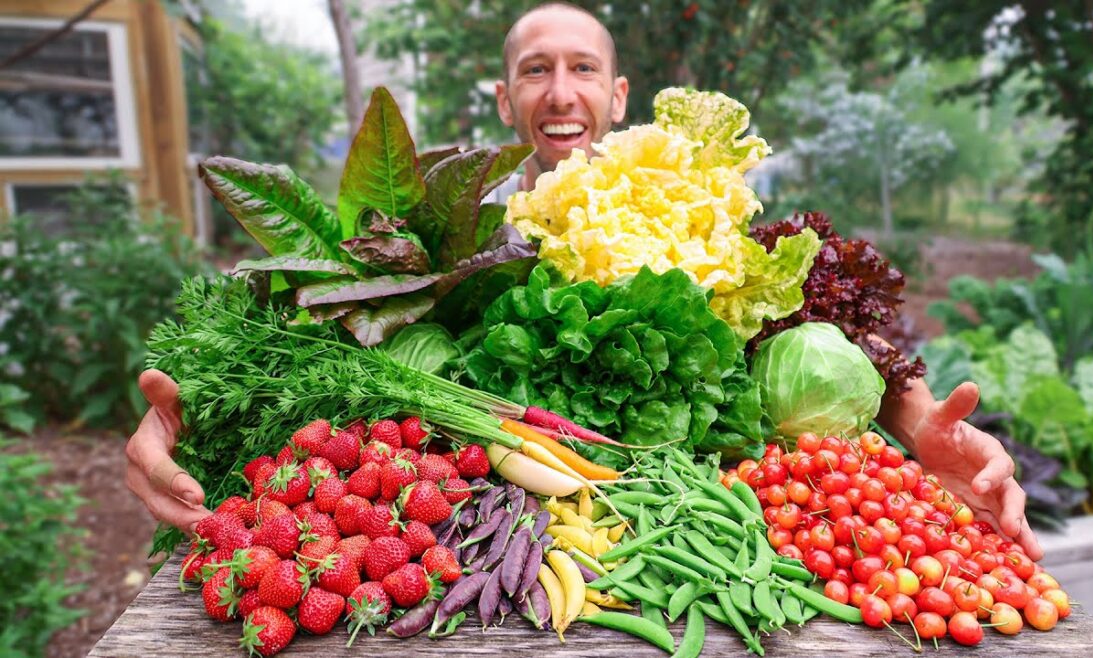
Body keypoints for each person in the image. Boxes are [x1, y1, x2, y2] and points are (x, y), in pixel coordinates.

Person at [126, 2, 1042, 560]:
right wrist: (182, 409)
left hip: (671, 546)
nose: (559, 91)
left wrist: (917, 420)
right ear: (504, 98)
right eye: (535, 71)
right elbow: (316, 321)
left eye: (582, 69)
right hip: (502, 557)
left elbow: (817, 320)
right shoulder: (448, 233)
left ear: (617, 95)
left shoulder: (705, 218)